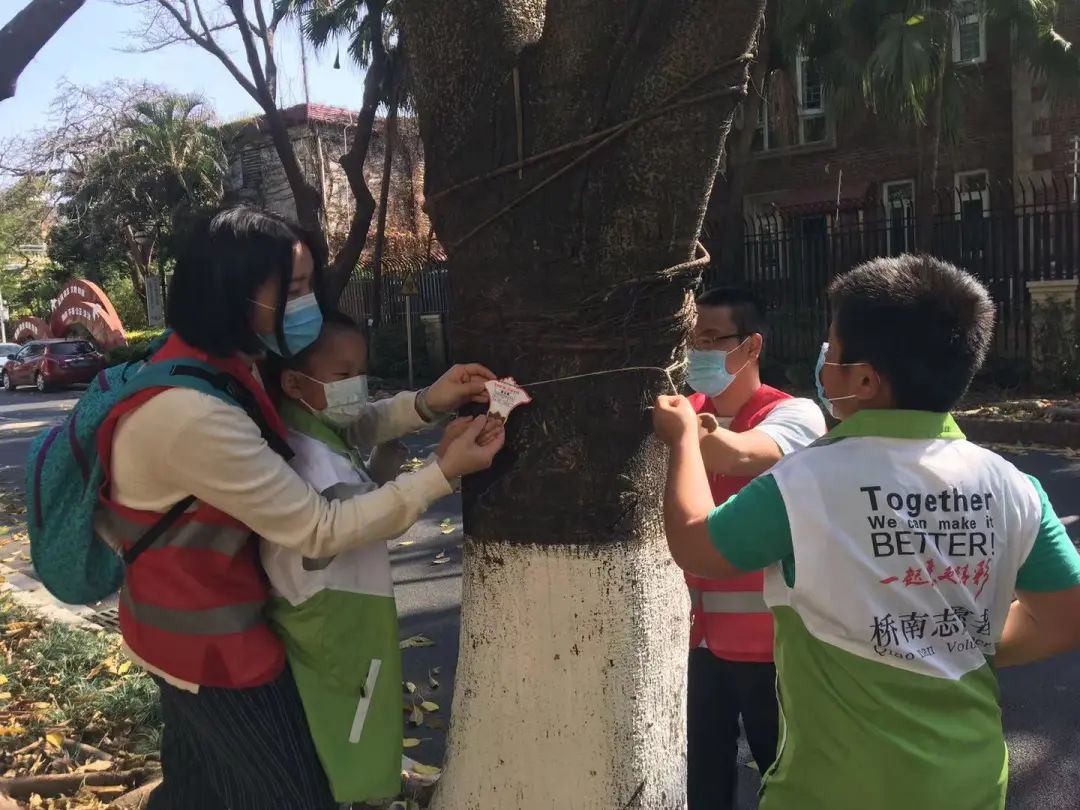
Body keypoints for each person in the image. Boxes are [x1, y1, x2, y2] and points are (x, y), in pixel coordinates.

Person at [98, 207, 504, 810]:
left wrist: (424, 402)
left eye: (308, 284)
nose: (307, 302)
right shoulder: (195, 412)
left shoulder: (228, 365)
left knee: (201, 789)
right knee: (293, 794)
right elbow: (319, 527)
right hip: (209, 642)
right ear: (232, 292)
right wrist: (440, 475)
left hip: (181, 623)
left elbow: (324, 421)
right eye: (291, 290)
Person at [654, 255, 1080, 810]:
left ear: (863, 379)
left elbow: (696, 545)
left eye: (830, 351)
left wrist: (683, 442)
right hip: (971, 785)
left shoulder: (808, 481)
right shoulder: (1013, 485)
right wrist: (937, 639)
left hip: (831, 790)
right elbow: (1064, 621)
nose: (823, 364)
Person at [259, 312, 489, 805]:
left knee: (360, 720)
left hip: (339, 612)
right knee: (350, 729)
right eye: (343, 377)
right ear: (294, 382)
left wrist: (429, 402)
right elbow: (359, 520)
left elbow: (366, 422)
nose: (358, 388)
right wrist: (440, 471)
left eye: (361, 373)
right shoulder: (303, 457)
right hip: (331, 623)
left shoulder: (310, 424)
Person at [683, 287, 825, 810]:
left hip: (777, 651)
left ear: (752, 346)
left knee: (785, 785)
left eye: (713, 339)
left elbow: (741, 454)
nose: (699, 352)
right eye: (692, 340)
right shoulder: (685, 411)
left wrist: (681, 434)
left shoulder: (794, 416)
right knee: (705, 786)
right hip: (701, 647)